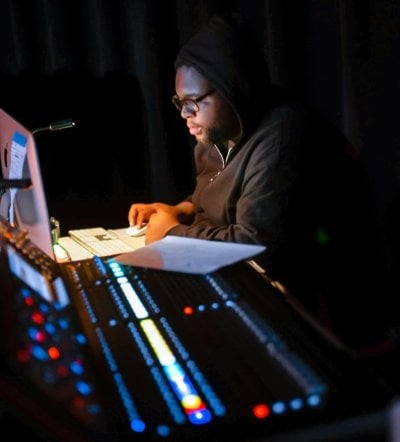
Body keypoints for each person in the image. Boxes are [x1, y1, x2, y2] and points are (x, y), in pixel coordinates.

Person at [128, 12, 392, 349]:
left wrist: (171, 234)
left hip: (328, 318)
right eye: (180, 102)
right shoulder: (217, 131)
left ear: (232, 88)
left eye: (194, 101)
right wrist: (180, 209)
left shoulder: (283, 135)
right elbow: (211, 196)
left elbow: (254, 245)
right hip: (266, 294)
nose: (184, 114)